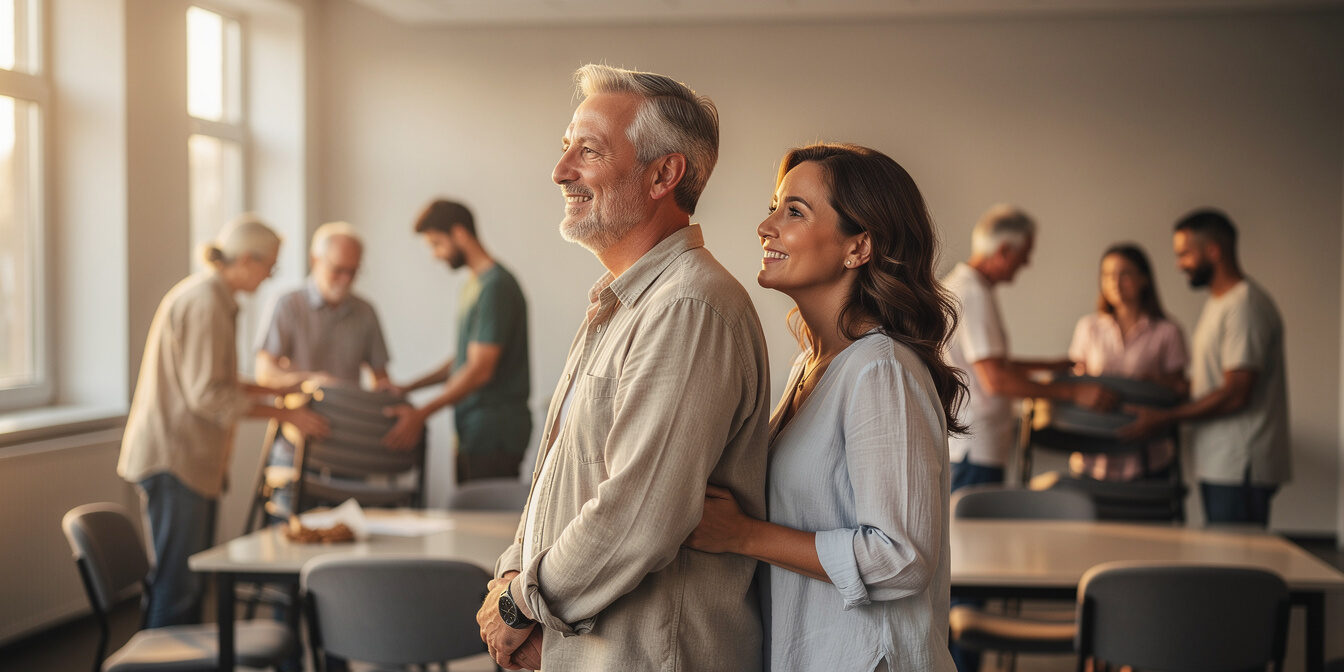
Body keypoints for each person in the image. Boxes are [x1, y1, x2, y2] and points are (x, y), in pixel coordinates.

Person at [476, 64, 771, 672]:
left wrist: (521, 604)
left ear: (664, 174)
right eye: (565, 149)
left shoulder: (689, 307)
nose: (561, 171)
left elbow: (639, 514)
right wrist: (513, 574)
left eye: (588, 151)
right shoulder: (625, 303)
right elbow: (562, 478)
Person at [683, 143, 966, 672]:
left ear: (858, 248)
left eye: (794, 211)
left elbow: (900, 558)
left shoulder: (881, 370)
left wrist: (742, 534)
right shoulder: (812, 366)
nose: (766, 226)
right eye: (774, 206)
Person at [116, 215, 328, 628]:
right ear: (247, 259)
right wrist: (286, 414)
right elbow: (209, 396)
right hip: (175, 460)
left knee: (185, 582)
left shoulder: (212, 297)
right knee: (178, 589)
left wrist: (280, 389)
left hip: (184, 462)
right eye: (270, 266)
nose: (270, 276)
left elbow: (219, 379)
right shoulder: (207, 301)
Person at [1120, 209, 1289, 526]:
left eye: (1184, 254)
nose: (1178, 264)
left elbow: (1237, 393)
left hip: (1240, 465)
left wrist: (1165, 418)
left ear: (1213, 250)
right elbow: (1217, 382)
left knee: (1236, 564)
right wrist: (1170, 385)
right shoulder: (1219, 304)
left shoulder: (1244, 306)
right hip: (1219, 460)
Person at [942, 204, 1117, 492]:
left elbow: (987, 364)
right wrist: (1073, 393)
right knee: (972, 535)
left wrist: (1050, 366)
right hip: (975, 449)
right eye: (1024, 255)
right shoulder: (973, 294)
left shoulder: (962, 287)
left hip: (970, 447)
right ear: (1004, 252)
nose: (1027, 264)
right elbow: (996, 379)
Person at [381, 200, 531, 483]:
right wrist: (408, 387)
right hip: (471, 431)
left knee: (481, 523)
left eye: (437, 243)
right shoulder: (473, 286)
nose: (435, 255)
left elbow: (480, 370)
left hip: (494, 434)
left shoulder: (496, 287)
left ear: (459, 234)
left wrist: (421, 414)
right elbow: (465, 359)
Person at [255, 221, 391, 517]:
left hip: (348, 453)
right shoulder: (287, 305)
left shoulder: (365, 312)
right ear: (315, 260)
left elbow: (381, 380)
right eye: (337, 269)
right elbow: (265, 373)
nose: (344, 278)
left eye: (352, 272)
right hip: (296, 448)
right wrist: (309, 382)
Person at [1065, 243, 1188, 481]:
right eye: (1108, 275)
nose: (1115, 282)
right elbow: (1077, 381)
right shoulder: (1088, 327)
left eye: (1125, 274)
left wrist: (1152, 384)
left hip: (1147, 454)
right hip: (1093, 452)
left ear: (1143, 279)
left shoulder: (1167, 332)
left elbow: (1180, 389)